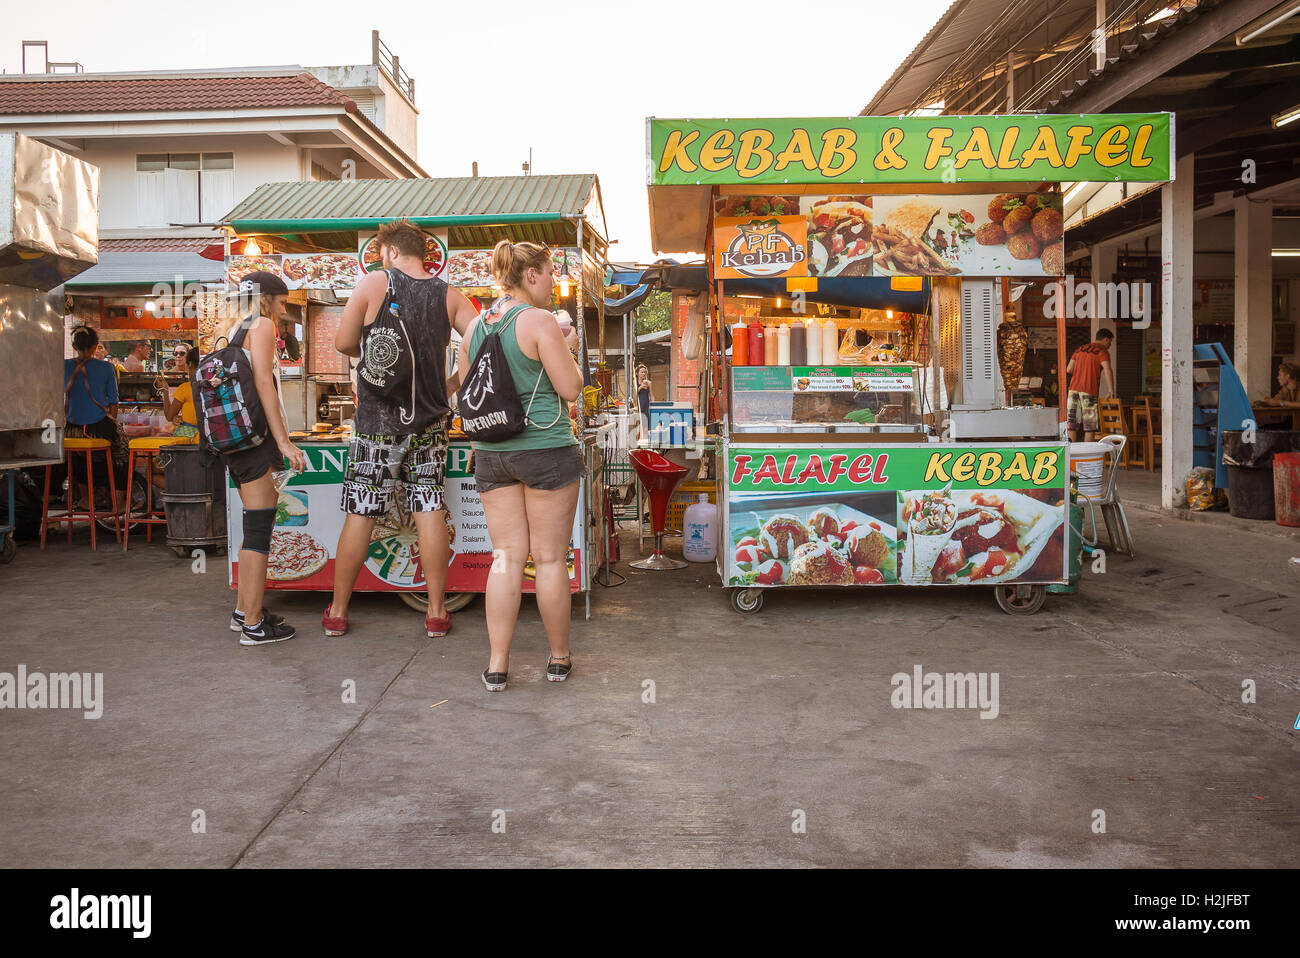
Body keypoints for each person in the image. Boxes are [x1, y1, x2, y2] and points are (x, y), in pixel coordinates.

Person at [324, 218, 479, 639]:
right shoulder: (449, 294)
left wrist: (374, 352)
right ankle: (434, 613)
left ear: (391, 251)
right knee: (428, 509)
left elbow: (342, 342)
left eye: (380, 253)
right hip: (430, 422)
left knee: (361, 513)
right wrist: (451, 384)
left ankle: (337, 612)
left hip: (376, 423)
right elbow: (482, 342)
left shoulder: (375, 283)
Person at [455, 240, 584, 692]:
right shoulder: (539, 322)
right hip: (545, 450)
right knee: (549, 559)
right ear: (530, 275)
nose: (553, 283)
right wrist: (566, 346)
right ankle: (559, 658)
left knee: (505, 557)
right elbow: (570, 388)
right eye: (550, 274)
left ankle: (498, 664)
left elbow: (468, 396)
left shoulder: (473, 327)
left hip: (491, 454)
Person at [211, 272, 306, 645]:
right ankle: (253, 624)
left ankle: (243, 611)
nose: (285, 309)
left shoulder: (233, 326)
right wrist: (283, 442)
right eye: (282, 302)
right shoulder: (262, 324)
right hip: (256, 439)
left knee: (255, 524)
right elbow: (264, 383)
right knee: (259, 528)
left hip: (236, 440)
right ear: (267, 299)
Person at [64, 326, 128, 512]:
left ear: (74, 345)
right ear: (94, 347)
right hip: (98, 427)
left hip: (72, 428)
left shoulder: (64, 365)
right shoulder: (107, 368)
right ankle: (119, 502)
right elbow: (114, 403)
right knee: (122, 451)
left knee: (78, 457)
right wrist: (113, 424)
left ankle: (85, 499)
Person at [1065, 328, 1115, 442]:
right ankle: (1088, 459)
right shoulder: (1102, 351)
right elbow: (1107, 369)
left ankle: (1072, 456)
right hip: (1089, 391)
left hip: (1073, 391)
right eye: (1110, 342)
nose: (1110, 345)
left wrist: (1081, 372)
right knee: (1089, 428)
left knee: (1072, 426)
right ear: (1105, 339)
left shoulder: (1079, 350)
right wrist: (1111, 390)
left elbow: (1069, 369)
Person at [155, 346, 199, 441]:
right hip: (213, 440)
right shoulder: (216, 387)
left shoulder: (186, 388)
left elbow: (169, 416)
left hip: (189, 442)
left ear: (190, 364)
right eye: (175, 353)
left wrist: (165, 392)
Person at [636, 364, 652, 432]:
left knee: (646, 428)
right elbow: (634, 394)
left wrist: (653, 406)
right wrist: (640, 387)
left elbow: (652, 395)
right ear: (637, 373)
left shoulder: (648, 383)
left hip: (645, 407)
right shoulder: (634, 383)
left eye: (645, 372)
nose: (643, 374)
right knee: (638, 428)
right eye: (641, 372)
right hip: (637, 407)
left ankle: (646, 441)